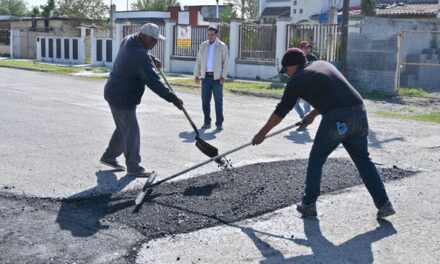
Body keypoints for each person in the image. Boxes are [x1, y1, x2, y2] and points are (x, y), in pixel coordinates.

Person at [252, 48, 395, 219]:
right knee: (363, 159)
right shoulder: (322, 64)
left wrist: (261, 133)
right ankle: (384, 203)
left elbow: (281, 111)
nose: (287, 75)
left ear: (292, 66)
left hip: (338, 118)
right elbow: (335, 92)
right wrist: (313, 114)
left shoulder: (297, 78)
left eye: (286, 70)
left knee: (316, 158)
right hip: (360, 112)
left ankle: (309, 204)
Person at [100, 23, 184, 177]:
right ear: (144, 36)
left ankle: (109, 157)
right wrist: (173, 98)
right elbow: (153, 81)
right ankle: (133, 166)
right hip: (121, 97)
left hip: (115, 92)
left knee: (123, 128)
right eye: (153, 40)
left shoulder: (130, 39)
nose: (156, 43)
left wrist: (151, 58)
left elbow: (139, 54)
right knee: (131, 130)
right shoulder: (139, 55)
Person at [194, 26, 229, 131]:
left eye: (212, 34)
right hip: (205, 78)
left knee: (218, 101)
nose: (210, 37)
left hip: (217, 78)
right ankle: (207, 122)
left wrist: (223, 76)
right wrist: (196, 75)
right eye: (208, 34)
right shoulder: (203, 45)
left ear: (216, 34)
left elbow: (226, 62)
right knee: (205, 101)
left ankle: (219, 123)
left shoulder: (222, 46)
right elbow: (199, 61)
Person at [293, 41, 317, 128]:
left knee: (307, 104)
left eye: (308, 47)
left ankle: (305, 123)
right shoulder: (297, 58)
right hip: (299, 85)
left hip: (310, 85)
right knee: (294, 102)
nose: (307, 49)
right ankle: (303, 117)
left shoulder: (313, 58)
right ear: (301, 49)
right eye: (305, 47)